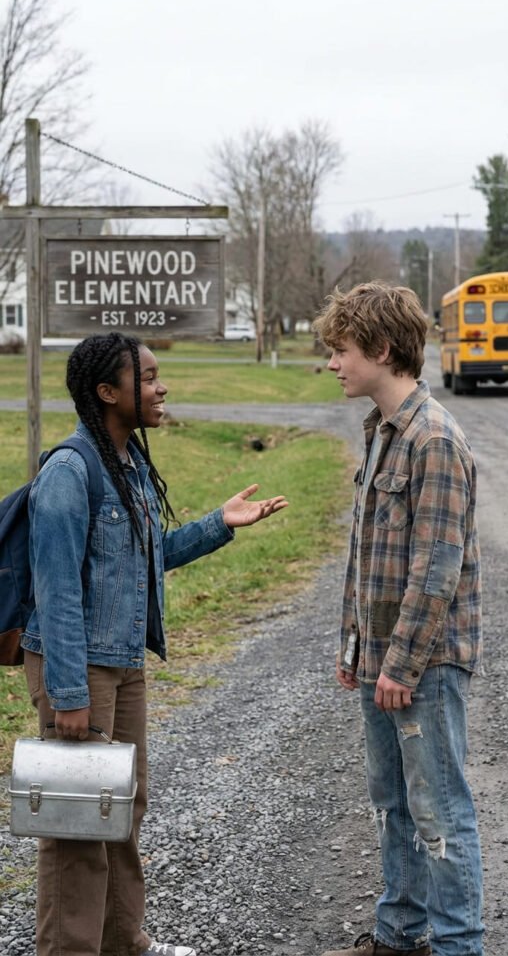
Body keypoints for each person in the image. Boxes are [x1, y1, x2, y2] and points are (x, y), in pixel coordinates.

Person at [21, 332, 288, 956]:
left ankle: (124, 942)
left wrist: (217, 525)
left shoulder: (130, 464)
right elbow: (57, 591)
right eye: (146, 378)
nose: (161, 387)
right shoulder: (69, 472)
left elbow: (143, 558)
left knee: (122, 806)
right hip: (78, 666)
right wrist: (68, 693)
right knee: (77, 821)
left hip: (122, 660)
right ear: (107, 392)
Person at [312, 284, 484, 956]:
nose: (333, 363)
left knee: (439, 808)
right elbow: (367, 558)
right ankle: (399, 935)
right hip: (381, 661)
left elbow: (436, 570)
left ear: (383, 349)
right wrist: (355, 649)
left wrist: (402, 665)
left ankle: (457, 945)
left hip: (423, 666)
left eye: (342, 350)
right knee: (393, 803)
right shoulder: (381, 431)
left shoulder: (433, 438)